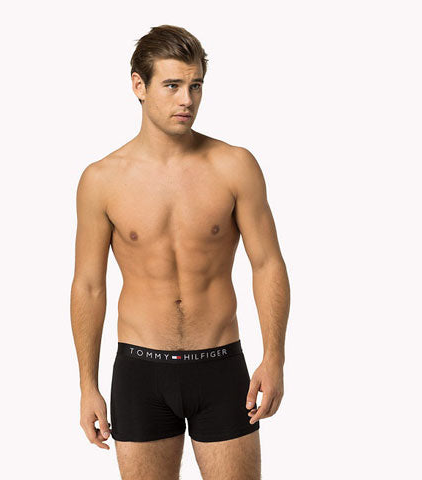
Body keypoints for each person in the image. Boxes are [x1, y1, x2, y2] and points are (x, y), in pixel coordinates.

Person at [70, 24, 290, 480]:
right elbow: (89, 285)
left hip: (221, 366)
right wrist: (87, 385)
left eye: (195, 86)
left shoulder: (234, 165)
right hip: (140, 371)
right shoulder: (101, 179)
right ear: (139, 86)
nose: (186, 99)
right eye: (172, 85)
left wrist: (275, 357)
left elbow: (267, 263)